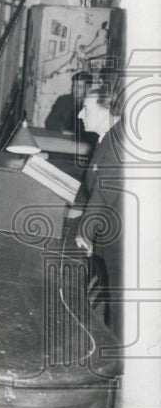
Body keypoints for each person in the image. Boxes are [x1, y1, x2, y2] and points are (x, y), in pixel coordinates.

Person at [75, 84, 127, 334]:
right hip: (114, 237)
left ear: (106, 111)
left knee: (120, 313)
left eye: (86, 109)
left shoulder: (118, 143)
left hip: (123, 243)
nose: (79, 115)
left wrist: (85, 231)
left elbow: (103, 193)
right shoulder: (109, 137)